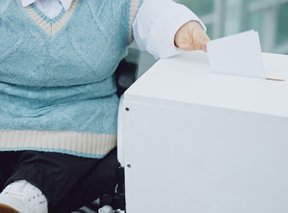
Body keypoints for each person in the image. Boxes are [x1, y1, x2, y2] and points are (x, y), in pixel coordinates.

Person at [0, 0, 209, 212]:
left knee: (55, 161)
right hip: (4, 112)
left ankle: (22, 198)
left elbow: (154, 14)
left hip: (78, 117)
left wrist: (179, 27)